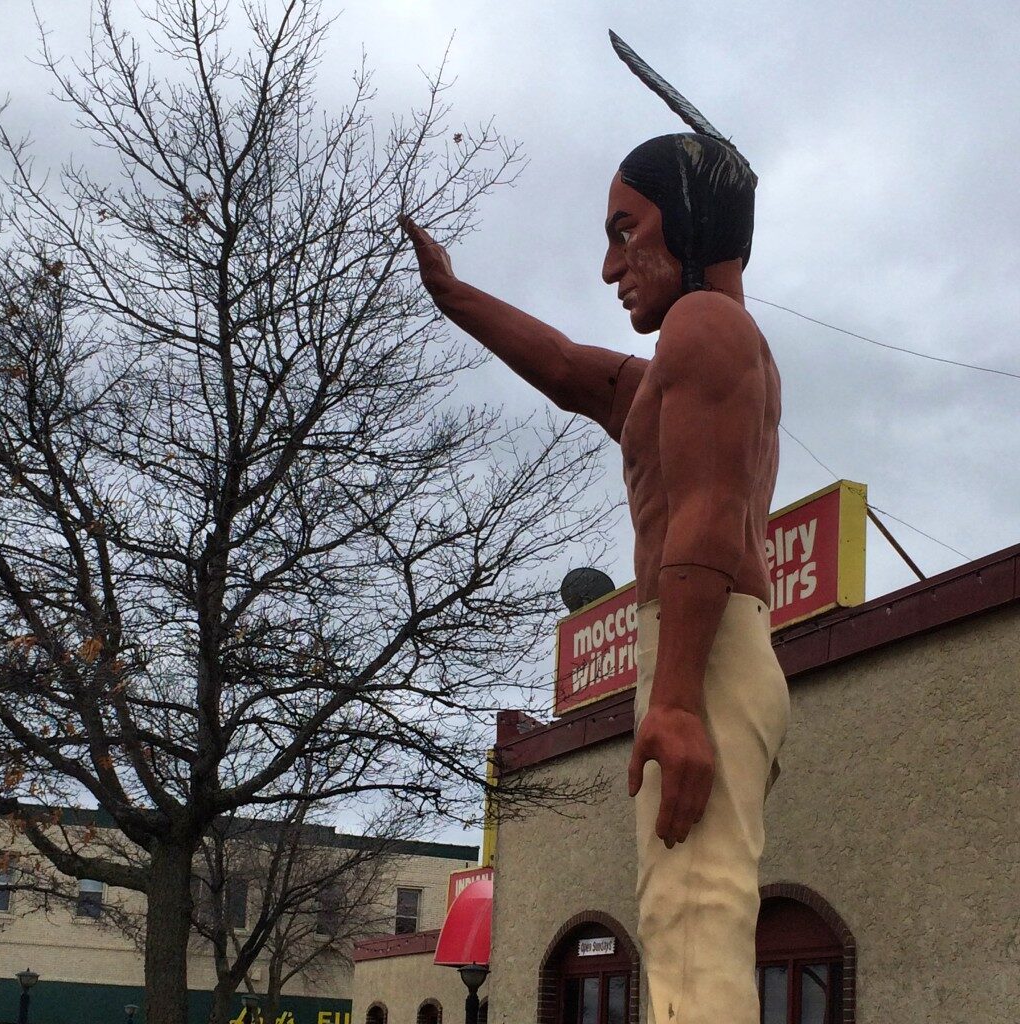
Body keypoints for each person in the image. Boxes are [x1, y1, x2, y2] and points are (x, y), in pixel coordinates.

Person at [401, 38, 789, 1024]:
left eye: (626, 231)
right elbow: (576, 370)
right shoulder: (685, 355)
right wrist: (457, 300)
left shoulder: (706, 326)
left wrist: (671, 700)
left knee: (693, 916)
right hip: (702, 645)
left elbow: (703, 510)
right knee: (680, 914)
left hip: (701, 645)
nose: (610, 263)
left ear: (691, 225)